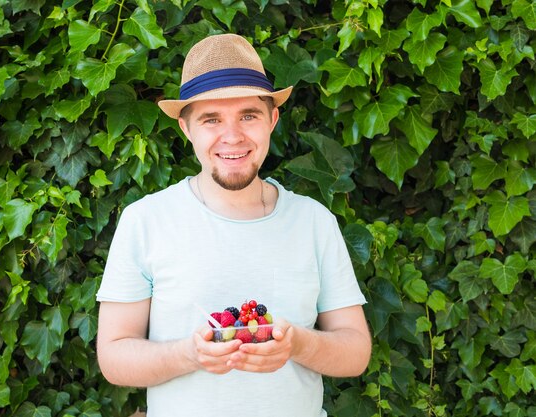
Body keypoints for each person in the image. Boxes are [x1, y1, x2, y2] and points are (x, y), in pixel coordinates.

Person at [96, 33, 371, 417]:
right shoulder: (146, 220)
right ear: (186, 128)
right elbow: (113, 357)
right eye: (211, 119)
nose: (232, 136)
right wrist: (189, 354)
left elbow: (356, 353)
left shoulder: (314, 221)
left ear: (272, 120)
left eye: (248, 115)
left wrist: (298, 345)